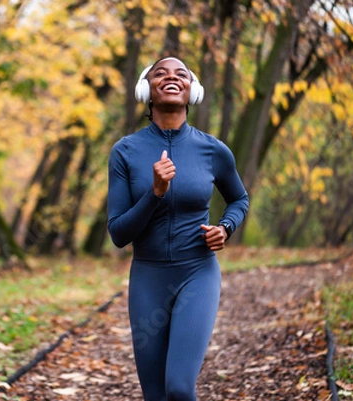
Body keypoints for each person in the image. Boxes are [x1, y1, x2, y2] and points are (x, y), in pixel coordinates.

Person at [107, 57, 249, 401]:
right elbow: (118, 233)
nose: (171, 78)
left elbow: (239, 199)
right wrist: (154, 193)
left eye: (180, 74)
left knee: (181, 389)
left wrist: (225, 228)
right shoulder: (125, 151)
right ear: (147, 90)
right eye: (161, 73)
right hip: (147, 278)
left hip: (197, 273)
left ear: (192, 91)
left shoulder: (213, 150)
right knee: (156, 395)